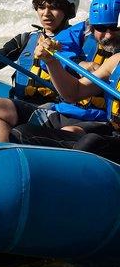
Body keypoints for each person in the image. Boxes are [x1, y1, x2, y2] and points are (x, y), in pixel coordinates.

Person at [0, 0, 85, 142]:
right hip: (22, 105)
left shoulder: (80, 42)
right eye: (41, 7)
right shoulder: (25, 39)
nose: (46, 13)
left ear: (68, 11)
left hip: (55, 110)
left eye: (53, 8)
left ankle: (6, 161)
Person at [10, 9, 120, 164]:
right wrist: (51, 61)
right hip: (114, 132)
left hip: (104, 131)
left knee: (90, 143)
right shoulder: (116, 61)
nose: (108, 35)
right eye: (102, 29)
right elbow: (74, 92)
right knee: (22, 133)